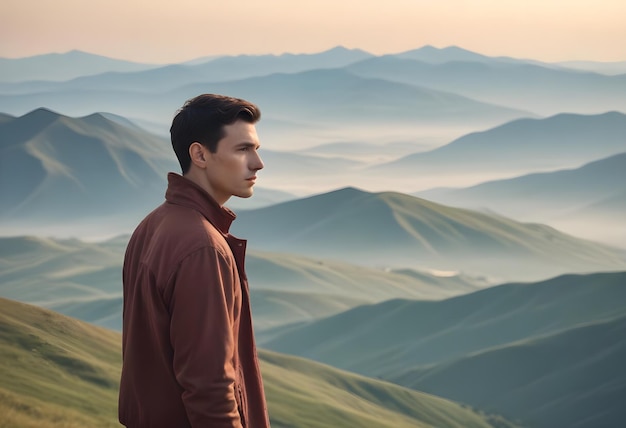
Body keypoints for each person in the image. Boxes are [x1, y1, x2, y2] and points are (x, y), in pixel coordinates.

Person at [119, 94, 270, 428]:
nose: (258, 163)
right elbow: (210, 387)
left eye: (256, 149)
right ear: (200, 154)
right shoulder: (203, 248)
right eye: (243, 149)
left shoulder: (153, 225)